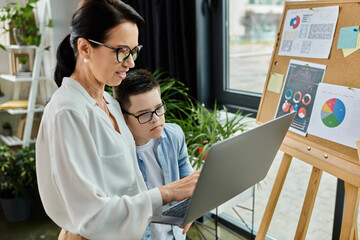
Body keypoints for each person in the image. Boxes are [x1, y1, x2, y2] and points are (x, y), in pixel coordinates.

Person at [35, 1, 200, 239]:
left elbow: (129, 185)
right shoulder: (68, 113)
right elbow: (91, 217)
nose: (131, 63)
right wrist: (167, 192)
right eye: (122, 51)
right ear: (84, 49)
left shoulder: (110, 103)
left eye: (134, 51)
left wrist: (185, 201)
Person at [113, 69, 193, 240]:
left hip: (175, 235)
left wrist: (190, 210)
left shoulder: (174, 135)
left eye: (158, 108)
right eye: (144, 114)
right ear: (123, 116)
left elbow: (187, 179)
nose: (156, 119)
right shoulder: (115, 155)